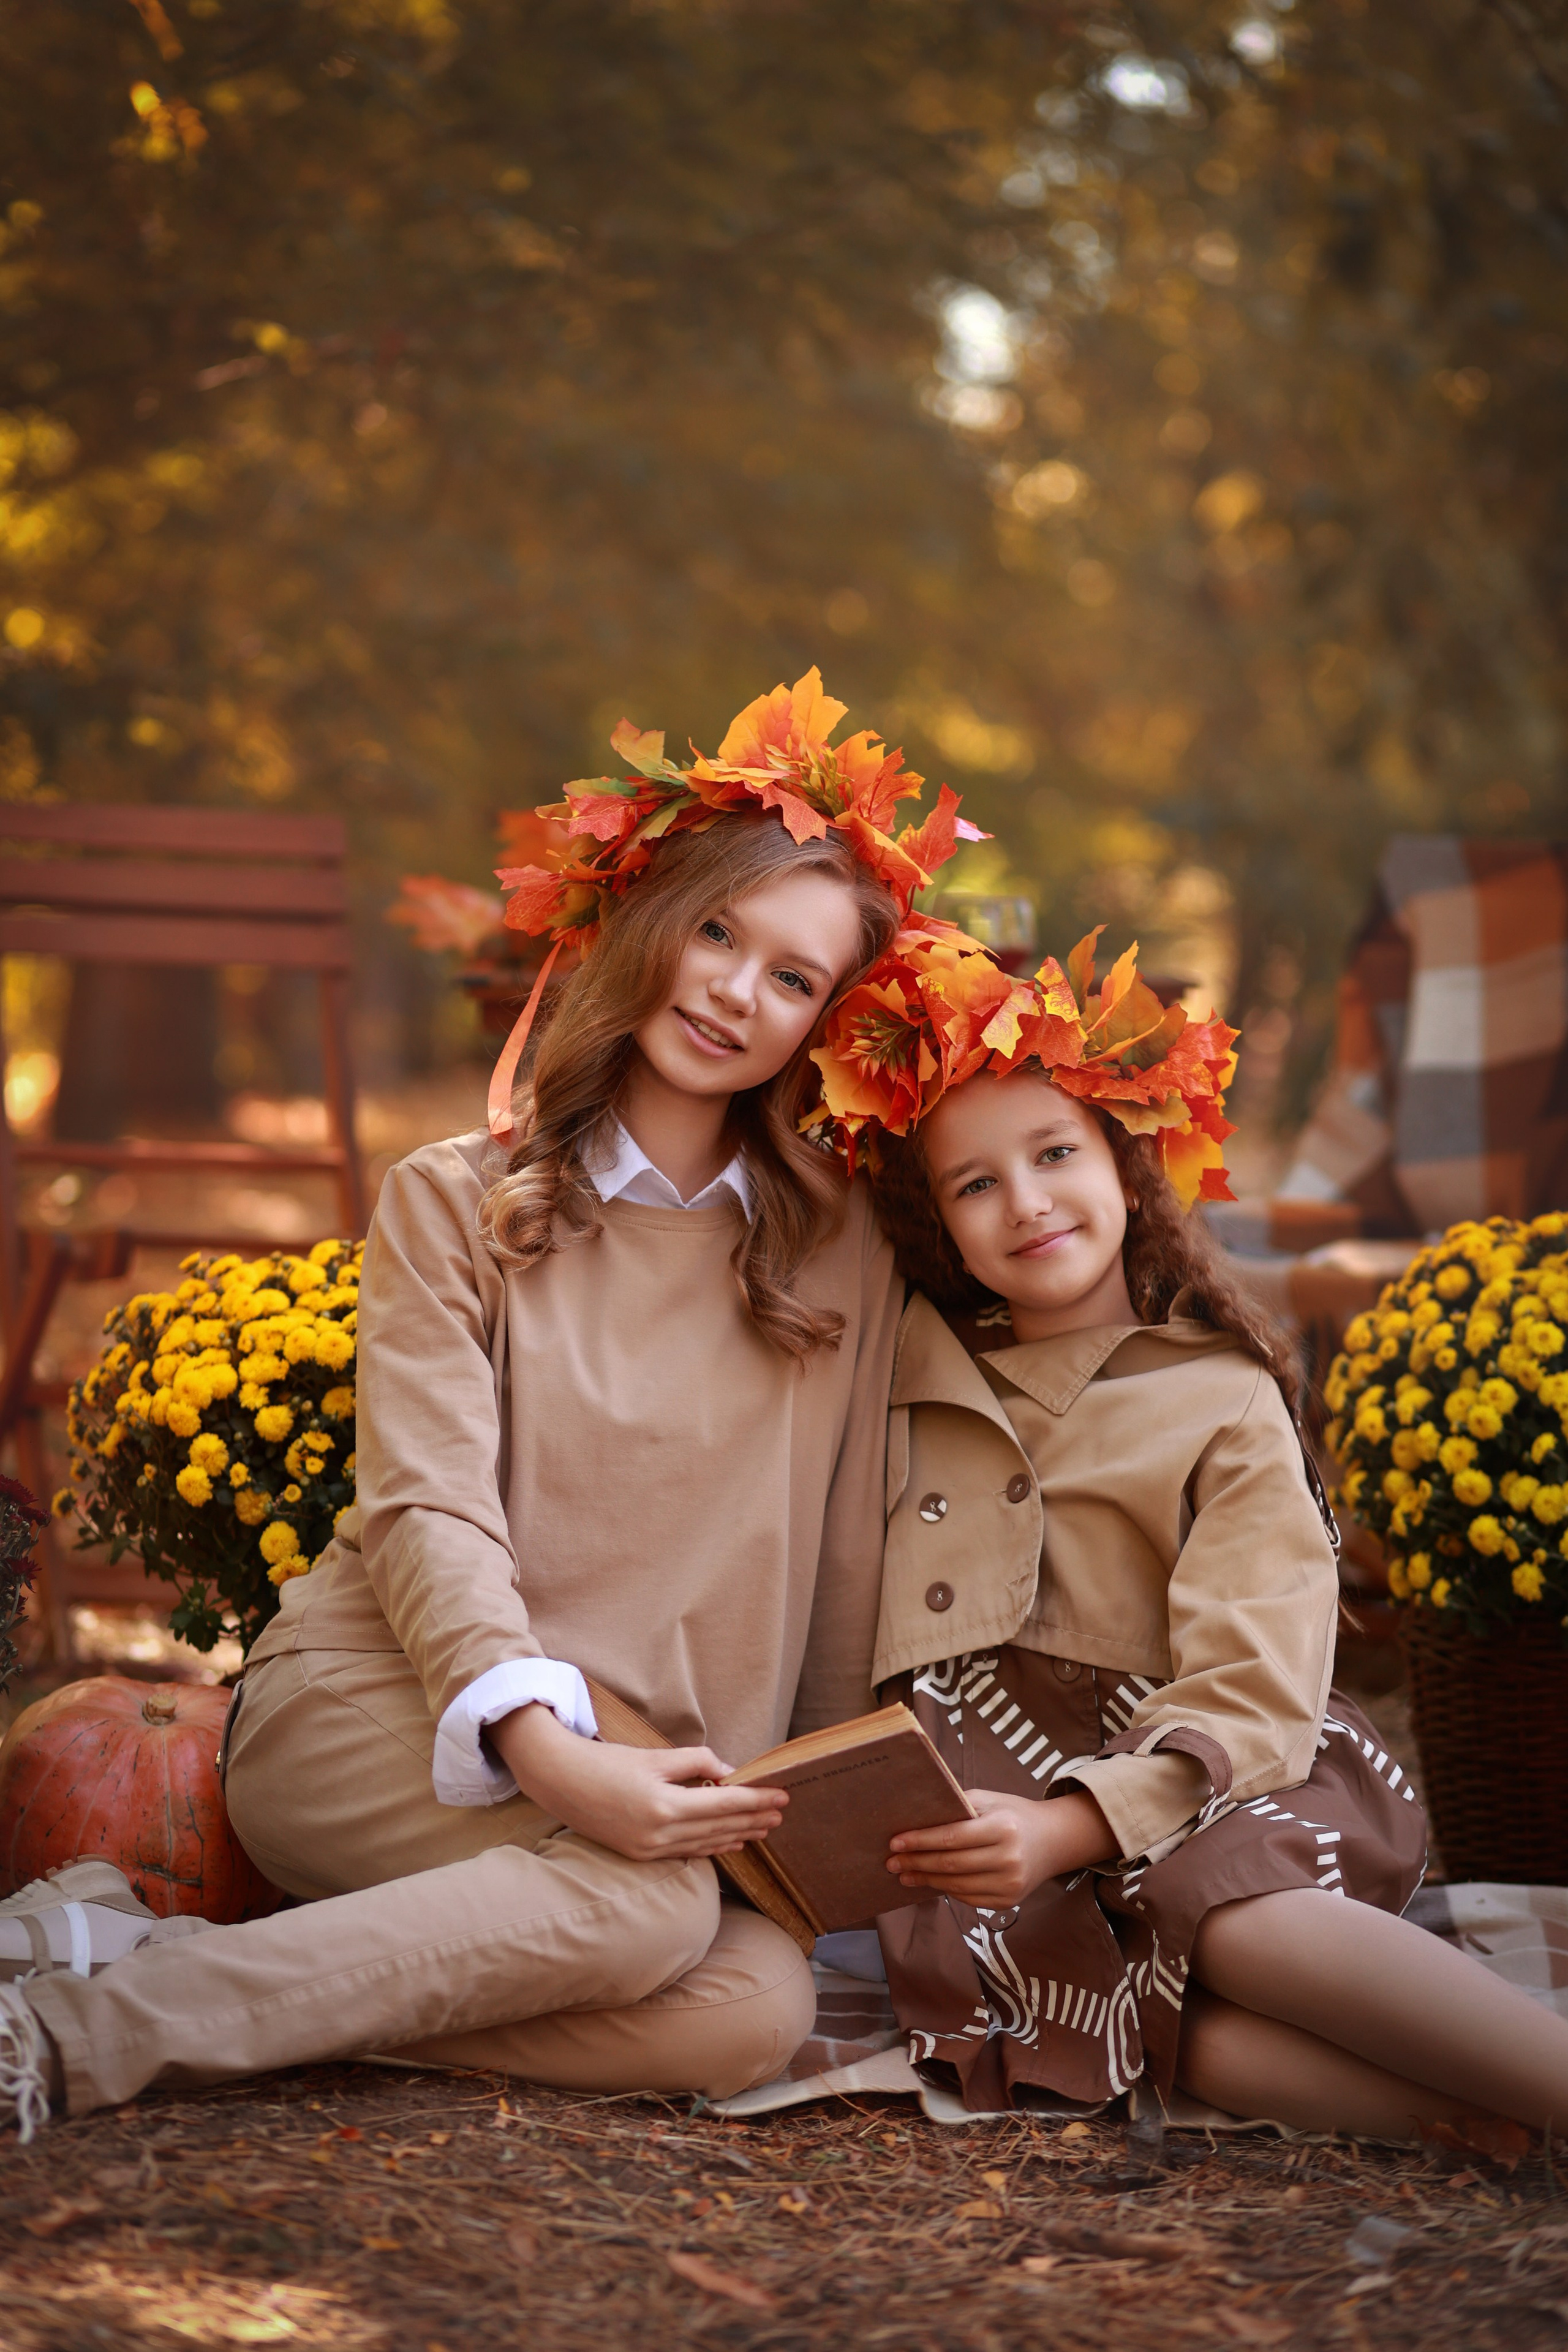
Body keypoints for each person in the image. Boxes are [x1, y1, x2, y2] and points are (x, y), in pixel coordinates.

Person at [0, 668, 985, 2141]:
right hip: (382, 1709)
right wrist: (549, 1755)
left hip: (650, 1789)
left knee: (754, 2009)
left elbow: (845, 1552)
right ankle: (69, 2032)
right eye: (717, 931)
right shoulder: (455, 1203)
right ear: (650, 927)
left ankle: (261, 1983)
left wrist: (817, 1811)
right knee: (649, 1920)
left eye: (792, 977)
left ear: (824, 1023)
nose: (734, 990)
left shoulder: (837, 1245)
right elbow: (424, 1508)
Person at [803, 922, 1568, 2133]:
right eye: (973, 1184)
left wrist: (1073, 1823)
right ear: (930, 1222)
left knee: (1229, 1920)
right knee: (1133, 2018)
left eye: (1054, 1152)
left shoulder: (1215, 1393)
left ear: (1124, 1166)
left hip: (1206, 1774)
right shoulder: (906, 1373)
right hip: (987, 1820)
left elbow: (1253, 1679)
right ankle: (1484, 2125)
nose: (1027, 1202)